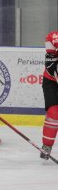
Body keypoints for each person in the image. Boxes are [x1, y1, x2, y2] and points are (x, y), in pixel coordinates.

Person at [41, 31, 58, 160]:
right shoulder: (54, 37)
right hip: (51, 81)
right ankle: (47, 145)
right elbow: (51, 66)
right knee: (54, 112)